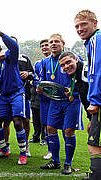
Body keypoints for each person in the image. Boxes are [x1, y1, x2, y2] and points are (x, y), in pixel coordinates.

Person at [38, 34, 83, 175]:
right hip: (54, 101)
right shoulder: (45, 62)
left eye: (56, 41)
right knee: (50, 128)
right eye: (51, 42)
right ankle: (55, 161)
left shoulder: (72, 58)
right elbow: (42, 80)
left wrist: (73, 90)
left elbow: (81, 79)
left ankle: (68, 163)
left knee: (68, 131)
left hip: (71, 101)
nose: (53, 44)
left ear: (63, 43)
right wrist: (40, 88)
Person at [0, 21, 28, 165]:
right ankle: (4, 149)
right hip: (3, 96)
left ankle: (23, 153)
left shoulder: (10, 57)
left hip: (17, 93)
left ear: (1, 49)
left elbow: (14, 46)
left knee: (18, 122)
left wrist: (1, 34)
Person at [74, 9, 101, 179]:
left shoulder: (95, 40)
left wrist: (95, 100)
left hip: (99, 101)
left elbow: (96, 72)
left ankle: (95, 176)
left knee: (94, 142)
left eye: (84, 24)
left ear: (95, 23)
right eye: (77, 26)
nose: (79, 28)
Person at [12, 36, 34, 157]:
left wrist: (28, 73)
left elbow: (33, 73)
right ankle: (5, 147)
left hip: (24, 94)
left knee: (25, 120)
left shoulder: (24, 58)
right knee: (6, 122)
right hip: (8, 94)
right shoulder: (4, 57)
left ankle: (26, 145)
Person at [33, 39, 53, 160]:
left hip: (56, 99)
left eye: (47, 45)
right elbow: (36, 79)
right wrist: (37, 86)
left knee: (65, 128)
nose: (45, 47)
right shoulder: (38, 63)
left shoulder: (58, 60)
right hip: (44, 99)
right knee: (47, 126)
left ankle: (67, 154)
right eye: (42, 46)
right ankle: (50, 150)